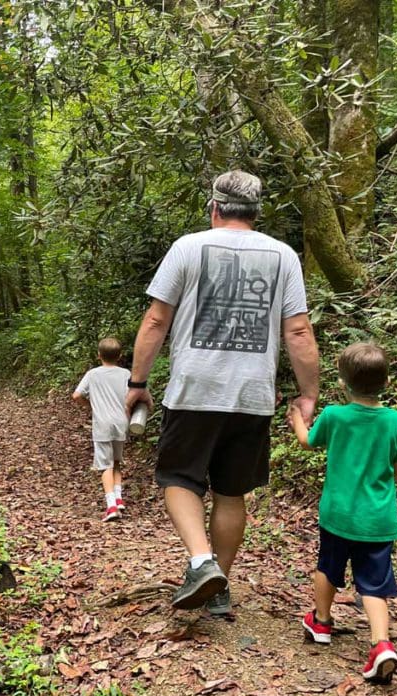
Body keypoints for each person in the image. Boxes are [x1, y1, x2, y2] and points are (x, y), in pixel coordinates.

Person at [125, 170, 320, 616]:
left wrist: (138, 383)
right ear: (255, 212)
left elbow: (157, 321)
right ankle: (221, 585)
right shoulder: (283, 255)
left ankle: (201, 562)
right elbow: (298, 330)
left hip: (194, 388)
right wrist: (308, 394)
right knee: (231, 493)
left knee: (179, 479)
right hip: (251, 395)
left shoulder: (187, 247)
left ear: (213, 208)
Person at [289, 342, 397, 683]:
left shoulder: (334, 416)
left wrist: (298, 419)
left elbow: (308, 441)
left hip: (338, 514)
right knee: (374, 584)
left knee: (328, 567)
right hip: (377, 518)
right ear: (387, 382)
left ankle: (322, 622)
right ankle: (381, 644)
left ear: (342, 383)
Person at [73, 337, 131, 522]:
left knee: (105, 465)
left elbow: (76, 395)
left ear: (99, 355)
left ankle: (111, 506)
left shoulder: (93, 374)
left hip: (102, 424)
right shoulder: (126, 374)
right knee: (116, 462)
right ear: (120, 356)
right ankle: (119, 497)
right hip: (121, 422)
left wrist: (90, 405)